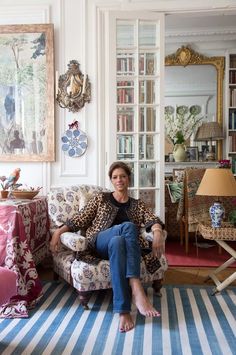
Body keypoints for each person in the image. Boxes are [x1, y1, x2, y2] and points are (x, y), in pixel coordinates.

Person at [50, 161, 165, 332]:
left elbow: (152, 219)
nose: (119, 180)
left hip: (120, 248)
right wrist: (58, 232)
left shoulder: (137, 204)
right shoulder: (101, 198)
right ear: (111, 180)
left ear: (129, 179)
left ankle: (123, 311)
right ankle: (136, 286)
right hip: (99, 243)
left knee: (118, 242)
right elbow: (79, 219)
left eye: (123, 176)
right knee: (128, 227)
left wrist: (157, 232)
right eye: (115, 177)